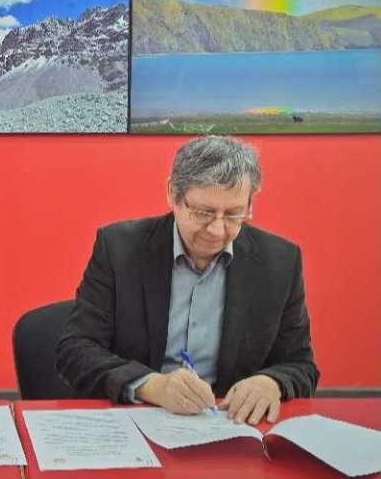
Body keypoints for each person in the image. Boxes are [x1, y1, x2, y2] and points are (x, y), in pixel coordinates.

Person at [55, 135, 319, 425]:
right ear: (172, 194)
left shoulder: (279, 262)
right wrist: (152, 385)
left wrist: (272, 382)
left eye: (234, 214)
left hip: (228, 427)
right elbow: (75, 350)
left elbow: (301, 365)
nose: (217, 230)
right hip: (136, 420)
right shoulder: (119, 249)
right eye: (203, 212)